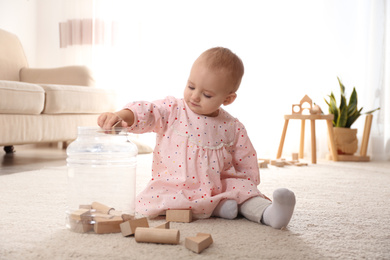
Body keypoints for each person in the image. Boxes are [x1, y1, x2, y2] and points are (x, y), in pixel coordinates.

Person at [98, 47, 295, 229]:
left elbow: (246, 160)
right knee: (160, 199)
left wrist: (249, 186)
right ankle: (218, 208)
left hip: (220, 184)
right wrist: (121, 116)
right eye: (191, 86)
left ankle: (270, 214)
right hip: (178, 184)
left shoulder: (232, 126)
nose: (194, 96)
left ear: (228, 99)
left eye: (207, 94)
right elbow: (147, 112)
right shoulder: (173, 110)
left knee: (244, 190)